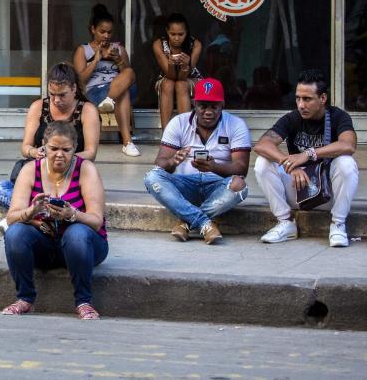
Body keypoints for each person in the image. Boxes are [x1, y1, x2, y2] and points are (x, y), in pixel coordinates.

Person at [1, 122, 108, 319]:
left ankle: (84, 302)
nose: (60, 154)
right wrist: (32, 211)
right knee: (15, 234)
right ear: (44, 146)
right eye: (53, 148)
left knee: (76, 234)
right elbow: (12, 217)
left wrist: (72, 215)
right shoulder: (30, 169)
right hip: (45, 244)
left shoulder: (86, 169)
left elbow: (96, 221)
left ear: (75, 147)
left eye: (66, 150)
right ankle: (24, 299)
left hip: (85, 247)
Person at [253, 69, 359, 247]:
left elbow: (348, 145)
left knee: (346, 162)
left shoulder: (338, 117)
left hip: (328, 193)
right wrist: (289, 165)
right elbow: (262, 145)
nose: (301, 105)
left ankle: (338, 224)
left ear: (323, 98)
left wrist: (308, 154)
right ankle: (285, 222)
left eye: (307, 99)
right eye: (298, 98)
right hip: (299, 188)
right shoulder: (292, 118)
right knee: (262, 162)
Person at [0, 62, 100, 232]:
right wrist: (35, 152)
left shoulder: (87, 110)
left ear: (74, 89)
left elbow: (91, 153)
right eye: (52, 94)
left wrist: (63, 156)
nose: (56, 100)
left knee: (64, 201)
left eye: (62, 95)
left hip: (71, 175)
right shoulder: (38, 107)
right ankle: (35, 215)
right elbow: (25, 147)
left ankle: (29, 216)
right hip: (41, 174)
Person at [143, 78, 250, 244]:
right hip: (186, 185)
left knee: (239, 186)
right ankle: (204, 222)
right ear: (194, 104)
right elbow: (160, 163)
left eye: (214, 106)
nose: (208, 112)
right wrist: (172, 162)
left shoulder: (236, 125)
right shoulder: (178, 123)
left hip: (218, 185)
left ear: (222, 105)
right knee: (152, 177)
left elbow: (241, 168)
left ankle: (186, 221)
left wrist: (214, 167)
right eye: (203, 106)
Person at [73, 4, 140, 157]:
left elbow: (130, 77)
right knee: (123, 94)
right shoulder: (83, 50)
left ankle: (109, 100)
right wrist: (96, 60)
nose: (106, 36)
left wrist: (119, 61)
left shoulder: (119, 48)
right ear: (93, 30)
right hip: (95, 92)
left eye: (109, 32)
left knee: (128, 72)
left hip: (115, 91)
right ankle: (127, 142)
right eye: (102, 32)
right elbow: (81, 80)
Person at [152, 12, 202, 129]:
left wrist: (185, 65)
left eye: (181, 34)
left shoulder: (195, 44)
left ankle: (185, 132)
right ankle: (166, 135)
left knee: (181, 85)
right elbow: (170, 75)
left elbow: (184, 76)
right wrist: (170, 65)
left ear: (187, 32)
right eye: (172, 34)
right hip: (167, 77)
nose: (176, 38)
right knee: (169, 84)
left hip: (191, 77)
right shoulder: (159, 44)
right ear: (167, 31)